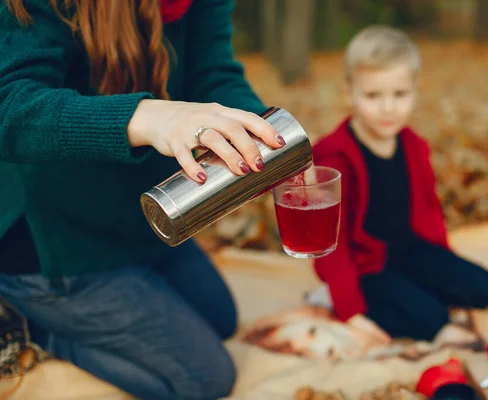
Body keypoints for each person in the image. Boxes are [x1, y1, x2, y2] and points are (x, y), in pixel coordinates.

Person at [0, 0, 286, 399]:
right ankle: (29, 327)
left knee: (220, 319)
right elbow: (10, 108)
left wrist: (270, 140)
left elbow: (214, 74)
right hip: (53, 239)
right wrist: (146, 117)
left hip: (141, 215)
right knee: (206, 379)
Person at [306, 25, 488, 347]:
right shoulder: (335, 154)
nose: (388, 108)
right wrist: (349, 309)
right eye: (372, 96)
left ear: (415, 89)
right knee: (431, 317)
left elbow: (428, 210)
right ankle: (334, 298)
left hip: (410, 249)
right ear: (349, 92)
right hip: (366, 263)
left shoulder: (413, 146)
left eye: (399, 94)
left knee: (484, 288)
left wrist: (443, 260)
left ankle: (412, 296)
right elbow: (332, 240)